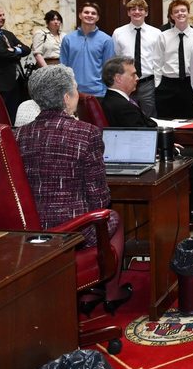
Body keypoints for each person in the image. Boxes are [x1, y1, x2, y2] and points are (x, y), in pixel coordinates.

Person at [15, 65, 132, 309]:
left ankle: (87, 294)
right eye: (76, 89)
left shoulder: (18, 135)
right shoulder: (86, 133)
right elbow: (99, 198)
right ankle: (111, 293)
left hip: (29, 230)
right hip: (75, 230)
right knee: (113, 217)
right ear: (67, 98)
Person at [99, 57, 193, 245]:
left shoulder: (115, 100)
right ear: (118, 78)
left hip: (146, 151)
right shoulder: (120, 105)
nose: (137, 78)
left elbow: (142, 128)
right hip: (146, 159)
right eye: (133, 74)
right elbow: (140, 137)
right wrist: (167, 147)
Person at [112, 0, 163, 117]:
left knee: (149, 117)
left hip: (148, 83)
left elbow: (159, 60)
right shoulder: (118, 33)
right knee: (128, 115)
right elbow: (116, 58)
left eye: (141, 9)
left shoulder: (156, 33)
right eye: (133, 9)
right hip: (126, 81)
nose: (137, 12)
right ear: (128, 12)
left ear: (146, 12)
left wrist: (157, 83)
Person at [155, 0, 193, 119]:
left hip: (188, 83)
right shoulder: (163, 36)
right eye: (176, 11)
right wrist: (157, 84)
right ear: (171, 16)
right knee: (165, 121)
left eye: (183, 10)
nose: (180, 13)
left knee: (187, 120)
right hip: (167, 84)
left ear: (188, 13)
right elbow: (157, 61)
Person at [60, 2, 115, 98]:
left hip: (98, 93)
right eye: (86, 12)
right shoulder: (68, 39)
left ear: (97, 18)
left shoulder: (106, 40)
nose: (89, 15)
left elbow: (109, 69)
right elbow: (63, 67)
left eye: (93, 13)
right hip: (73, 93)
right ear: (80, 15)